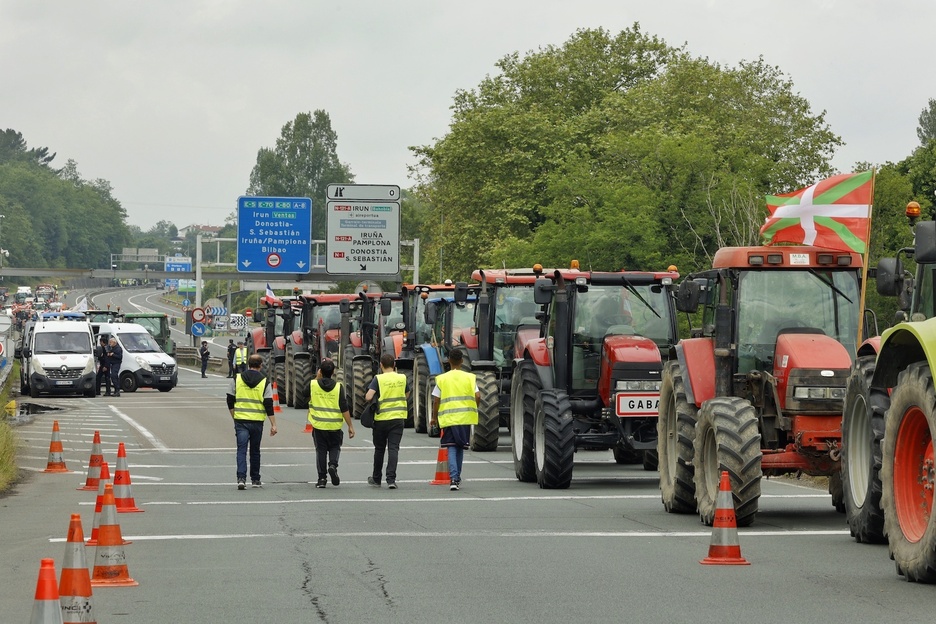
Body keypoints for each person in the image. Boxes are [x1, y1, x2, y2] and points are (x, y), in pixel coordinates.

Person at [429, 348, 479, 491]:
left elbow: (436, 400)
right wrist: (474, 408)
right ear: (462, 361)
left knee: (451, 447)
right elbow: (478, 396)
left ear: (449, 361)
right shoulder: (469, 378)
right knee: (461, 448)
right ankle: (457, 478)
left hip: (449, 419)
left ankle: (453, 478)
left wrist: (434, 418)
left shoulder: (442, 379)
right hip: (465, 418)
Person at [227, 354, 277, 489]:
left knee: (241, 450)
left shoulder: (237, 379)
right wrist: (273, 424)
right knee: (255, 451)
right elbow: (268, 404)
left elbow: (230, 400)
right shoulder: (264, 382)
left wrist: (235, 416)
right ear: (261, 366)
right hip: (256, 422)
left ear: (248, 364)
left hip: (241, 420)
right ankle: (255, 479)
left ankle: (241, 479)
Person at [364, 353, 410, 489]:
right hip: (398, 418)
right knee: (393, 449)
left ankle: (376, 478)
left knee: (379, 449)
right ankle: (391, 479)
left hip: (381, 419)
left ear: (381, 365)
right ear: (394, 365)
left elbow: (368, 396)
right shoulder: (402, 377)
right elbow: (407, 393)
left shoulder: (378, 379)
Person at [308, 358, 354, 488]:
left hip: (319, 426)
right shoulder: (339, 387)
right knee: (335, 447)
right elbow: (344, 408)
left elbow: (304, 393)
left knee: (321, 451)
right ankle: (333, 465)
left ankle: (322, 479)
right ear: (333, 371)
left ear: (320, 371)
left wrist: (317, 378)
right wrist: (350, 425)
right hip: (335, 426)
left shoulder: (313, 384)